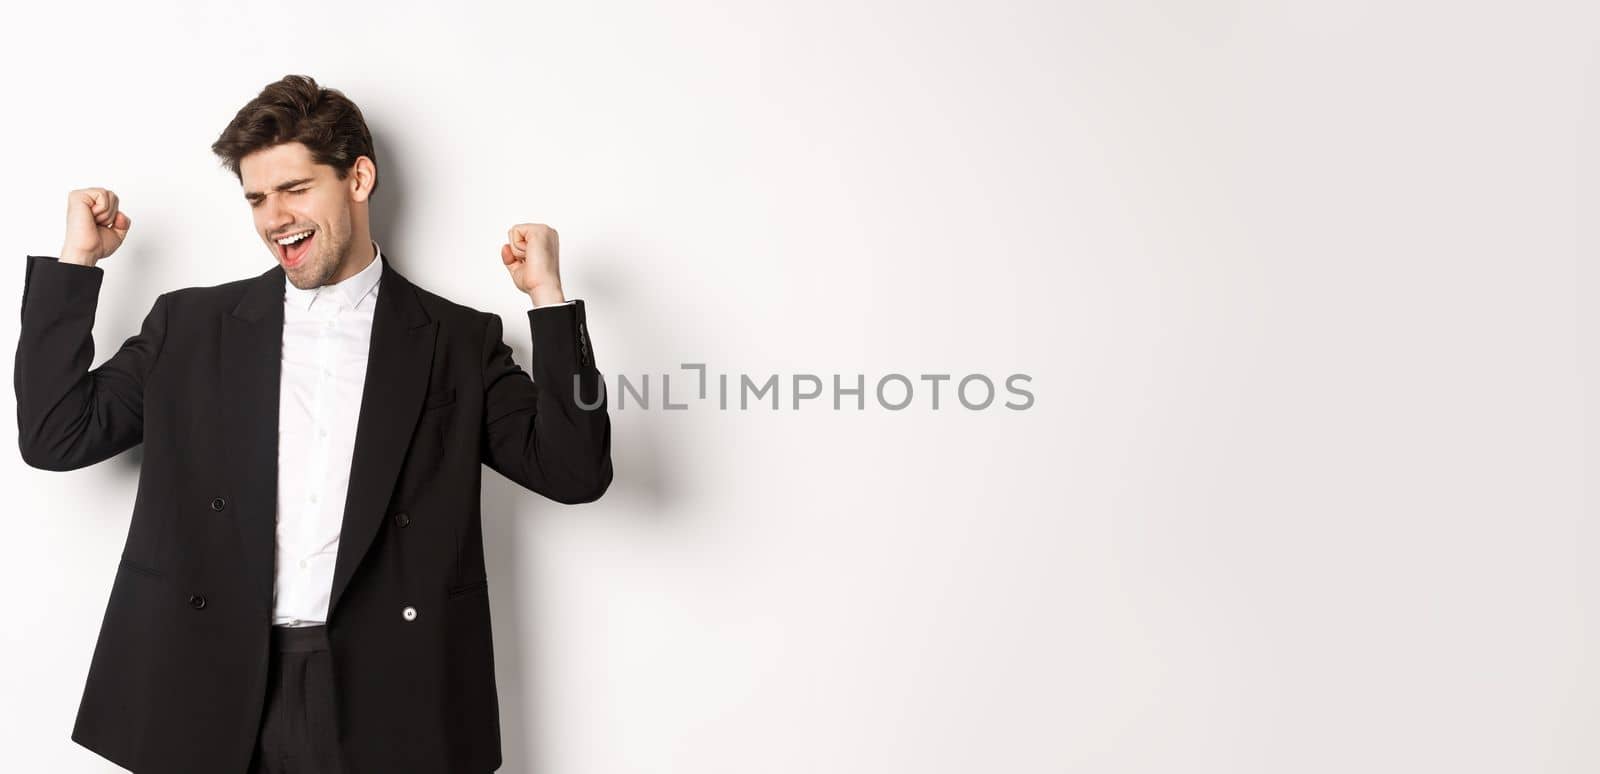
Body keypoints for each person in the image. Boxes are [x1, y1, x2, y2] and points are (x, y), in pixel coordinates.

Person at [14, 74, 613, 773]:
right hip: (207, 682)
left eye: (295, 190)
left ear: (358, 178)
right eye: (258, 198)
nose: (275, 218)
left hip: (389, 693)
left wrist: (548, 300)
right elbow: (55, 435)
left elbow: (574, 472)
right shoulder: (191, 325)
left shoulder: (454, 339)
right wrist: (76, 262)